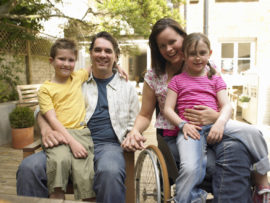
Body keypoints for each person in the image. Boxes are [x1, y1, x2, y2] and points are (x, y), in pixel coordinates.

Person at [121, 18, 269, 202]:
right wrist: (135, 130)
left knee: (238, 152)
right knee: (215, 167)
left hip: (215, 127)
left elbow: (224, 103)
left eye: (172, 41)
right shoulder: (155, 76)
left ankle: (257, 186)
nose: (168, 49)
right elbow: (145, 114)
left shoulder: (207, 66)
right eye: (162, 46)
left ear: (184, 38)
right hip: (178, 134)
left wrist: (216, 118)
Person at [16, 31, 139, 203]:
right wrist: (45, 129)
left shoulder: (126, 87)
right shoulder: (75, 80)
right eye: (98, 50)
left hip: (107, 146)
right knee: (29, 167)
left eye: (108, 51)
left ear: (116, 56)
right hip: (67, 143)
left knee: (110, 171)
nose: (102, 54)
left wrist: (134, 133)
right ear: (90, 54)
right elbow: (41, 109)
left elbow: (136, 122)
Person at [163, 32, 270, 203]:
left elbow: (227, 105)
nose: (198, 58)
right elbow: (167, 109)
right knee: (190, 168)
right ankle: (185, 198)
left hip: (216, 124)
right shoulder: (177, 81)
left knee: (254, 132)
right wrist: (183, 125)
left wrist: (219, 123)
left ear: (210, 54)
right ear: (184, 55)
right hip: (191, 130)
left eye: (202, 53)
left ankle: (262, 182)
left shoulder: (215, 79)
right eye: (192, 54)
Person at [37, 38, 95, 200]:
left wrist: (116, 65)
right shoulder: (45, 90)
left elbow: (92, 66)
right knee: (59, 165)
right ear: (51, 60)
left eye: (71, 60)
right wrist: (72, 142)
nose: (66, 64)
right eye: (61, 59)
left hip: (81, 133)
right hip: (58, 135)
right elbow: (52, 120)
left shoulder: (77, 77)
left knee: (86, 178)